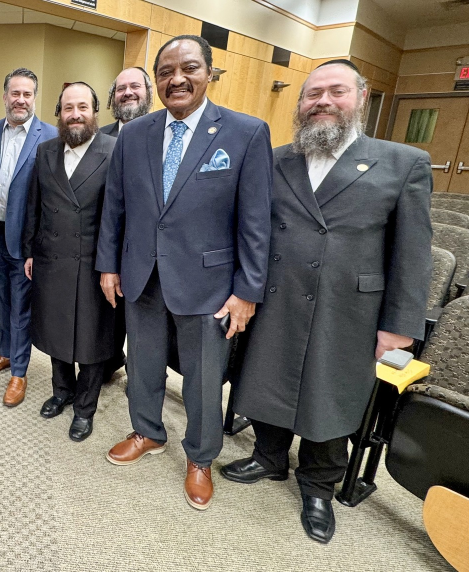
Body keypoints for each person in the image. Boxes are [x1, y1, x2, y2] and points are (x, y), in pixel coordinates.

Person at [222, 60, 432, 543]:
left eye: (336, 91)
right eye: (313, 93)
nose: (323, 101)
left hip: (348, 307)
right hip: (276, 296)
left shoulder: (402, 162)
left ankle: (318, 485)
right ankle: (269, 457)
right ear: (300, 104)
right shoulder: (275, 159)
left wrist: (399, 326)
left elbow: (412, 252)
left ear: (361, 98)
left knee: (331, 393)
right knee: (267, 376)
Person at [96, 35, 272, 511]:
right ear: (156, 81)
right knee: (143, 364)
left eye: (189, 68)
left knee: (203, 377)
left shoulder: (246, 133)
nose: (177, 79)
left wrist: (247, 290)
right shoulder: (134, 133)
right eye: (166, 71)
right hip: (142, 273)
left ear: (209, 73)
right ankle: (148, 431)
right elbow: (115, 207)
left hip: (209, 282)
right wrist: (108, 265)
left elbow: (256, 222)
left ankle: (200, 456)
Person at [22, 82, 118, 442]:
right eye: (68, 108)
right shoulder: (46, 150)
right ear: (59, 114)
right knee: (56, 329)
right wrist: (30, 250)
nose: (75, 114)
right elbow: (34, 204)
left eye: (82, 107)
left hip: (96, 264)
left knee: (92, 339)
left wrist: (113, 266)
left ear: (95, 112)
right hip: (51, 258)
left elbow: (119, 216)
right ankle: (61, 390)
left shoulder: (114, 150)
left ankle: (84, 408)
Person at [0, 67, 57, 407]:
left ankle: (19, 373)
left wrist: (40, 245)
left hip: (26, 241)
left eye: (27, 94)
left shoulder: (51, 137)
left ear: (34, 98)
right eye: (15, 93)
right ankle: (6, 353)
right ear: (5, 96)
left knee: (21, 308)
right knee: (1, 302)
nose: (21, 100)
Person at [100, 67, 153, 136]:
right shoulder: (99, 137)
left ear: (148, 91)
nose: (127, 93)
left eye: (135, 86)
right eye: (121, 89)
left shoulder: (162, 133)